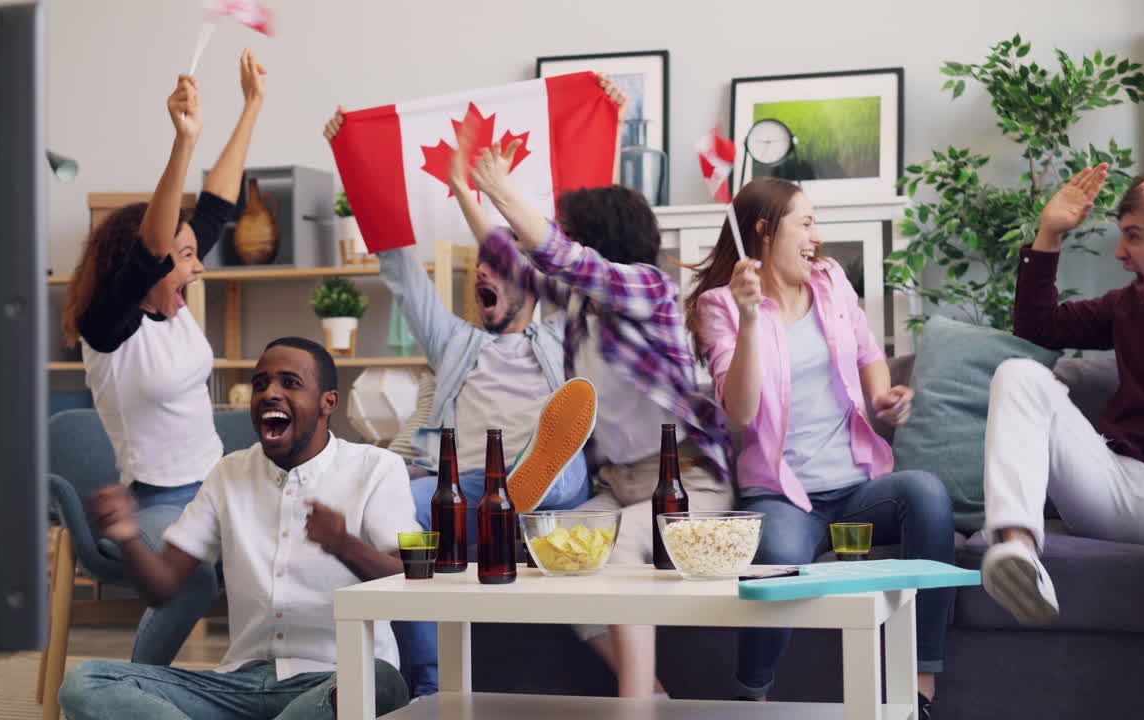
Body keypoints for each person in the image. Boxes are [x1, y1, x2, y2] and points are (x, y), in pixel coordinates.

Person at [455, 75, 735, 699]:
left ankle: (634, 708)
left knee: (603, 554)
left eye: (567, 229)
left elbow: (562, 258)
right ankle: (656, 695)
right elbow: (509, 254)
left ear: (598, 241)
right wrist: (467, 191)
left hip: (687, 486)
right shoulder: (580, 309)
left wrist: (503, 188)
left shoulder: (651, 291)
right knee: (553, 546)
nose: (555, 236)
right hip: (620, 487)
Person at [322, 107, 595, 698]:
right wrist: (356, 164)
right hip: (464, 486)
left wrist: (606, 122)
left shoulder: (560, 336)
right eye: (477, 270)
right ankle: (429, 684)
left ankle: (526, 478)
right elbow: (400, 270)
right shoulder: (454, 342)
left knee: (568, 464)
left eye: (497, 266)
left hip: (543, 480)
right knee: (397, 512)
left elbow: (579, 264)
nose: (481, 277)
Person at [686, 176, 954, 717]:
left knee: (926, 493)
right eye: (805, 223)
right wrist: (750, 317)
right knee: (779, 558)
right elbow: (739, 408)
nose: (816, 236)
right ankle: (752, 697)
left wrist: (882, 394)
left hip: (857, 490)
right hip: (782, 497)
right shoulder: (721, 305)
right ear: (764, 232)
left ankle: (918, 691)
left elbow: (867, 350)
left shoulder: (830, 280)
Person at [58, 338, 416, 720]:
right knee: (87, 681)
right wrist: (127, 535)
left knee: (379, 683)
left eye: (290, 383)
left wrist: (344, 545)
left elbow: (409, 586)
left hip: (333, 680)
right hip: (237, 685)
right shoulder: (228, 474)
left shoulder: (377, 468)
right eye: (260, 384)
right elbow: (163, 588)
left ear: (329, 402)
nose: (270, 393)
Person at [58, 49, 266, 664]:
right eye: (185, 255)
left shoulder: (168, 297)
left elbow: (217, 206)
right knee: (195, 578)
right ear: (143, 265)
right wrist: (184, 141)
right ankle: (134, 687)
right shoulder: (109, 328)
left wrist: (252, 106)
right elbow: (153, 251)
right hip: (159, 501)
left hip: (220, 482)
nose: (198, 263)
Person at [980, 164, 1144, 626]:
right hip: (1118, 484)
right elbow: (1038, 328)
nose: (1120, 252)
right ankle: (1018, 550)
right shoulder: (1128, 304)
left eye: (1134, 236)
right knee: (1018, 373)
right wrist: (1049, 233)